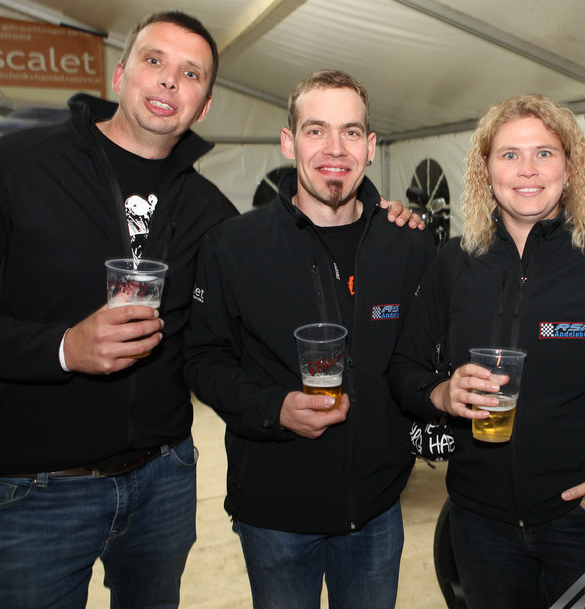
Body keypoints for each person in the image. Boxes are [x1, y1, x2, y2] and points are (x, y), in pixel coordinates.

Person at [0, 11, 237, 607]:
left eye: (191, 73)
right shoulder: (22, 165)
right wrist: (62, 349)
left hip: (164, 479)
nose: (169, 80)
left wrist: (372, 215)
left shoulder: (211, 211)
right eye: (154, 60)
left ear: (203, 106)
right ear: (120, 75)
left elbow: (265, 286)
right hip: (36, 491)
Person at [390, 94, 585, 607]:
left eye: (544, 153)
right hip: (480, 526)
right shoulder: (454, 262)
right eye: (509, 155)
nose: (527, 170)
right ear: (486, 170)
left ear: (569, 167)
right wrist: (442, 393)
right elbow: (403, 368)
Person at [184, 69, 434, 609]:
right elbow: (204, 359)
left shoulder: (409, 245)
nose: (334, 148)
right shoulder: (233, 247)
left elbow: (420, 357)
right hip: (275, 514)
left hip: (376, 509)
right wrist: (274, 408)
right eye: (316, 130)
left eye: (350, 132)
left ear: (370, 147)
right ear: (288, 140)